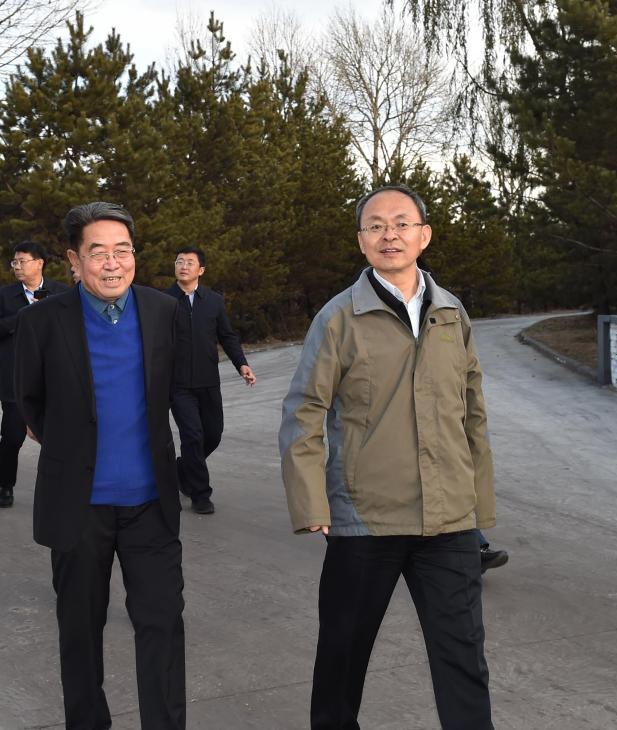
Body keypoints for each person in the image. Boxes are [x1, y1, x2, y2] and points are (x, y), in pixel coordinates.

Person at [279, 184, 496, 730]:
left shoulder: (451, 313)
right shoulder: (338, 318)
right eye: (375, 225)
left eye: (401, 223)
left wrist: (478, 503)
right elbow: (304, 410)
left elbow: (472, 411)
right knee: (342, 656)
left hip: (448, 522)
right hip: (364, 520)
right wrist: (312, 504)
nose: (389, 235)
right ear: (361, 241)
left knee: (463, 658)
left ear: (424, 235)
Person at [15, 202, 185, 729]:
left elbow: (177, 389)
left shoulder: (162, 311)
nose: (113, 263)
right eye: (98, 252)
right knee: (80, 631)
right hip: (78, 507)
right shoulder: (41, 321)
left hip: (151, 506)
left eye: (123, 250)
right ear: (74, 260)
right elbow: (29, 402)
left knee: (162, 626)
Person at [164, 246, 255, 514]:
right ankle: (200, 494)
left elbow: (227, 336)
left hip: (208, 382)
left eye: (189, 262)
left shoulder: (214, 301)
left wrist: (242, 364)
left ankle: (182, 470)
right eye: (179, 261)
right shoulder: (164, 301)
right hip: (178, 385)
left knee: (212, 435)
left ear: (201, 270)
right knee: (192, 436)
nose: (183, 266)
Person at [0, 241, 70, 507]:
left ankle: (61, 486)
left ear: (39, 263)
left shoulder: (60, 292)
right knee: (12, 436)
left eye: (22, 261)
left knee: (57, 437)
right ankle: (5, 484)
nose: (17, 267)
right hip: (16, 375)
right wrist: (26, 314)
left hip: (53, 378)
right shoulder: (3, 296)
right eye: (14, 262)